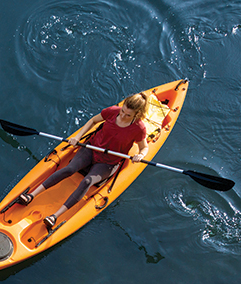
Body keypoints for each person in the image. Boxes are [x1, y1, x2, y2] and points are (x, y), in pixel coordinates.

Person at [13, 92, 150, 231]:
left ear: (137, 114)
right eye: (123, 111)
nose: (122, 116)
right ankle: (31, 195)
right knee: (70, 169)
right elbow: (93, 121)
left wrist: (140, 155)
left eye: (128, 115)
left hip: (108, 162)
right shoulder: (113, 111)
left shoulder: (139, 128)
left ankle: (55, 216)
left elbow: (144, 147)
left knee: (87, 181)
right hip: (91, 148)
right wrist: (78, 136)